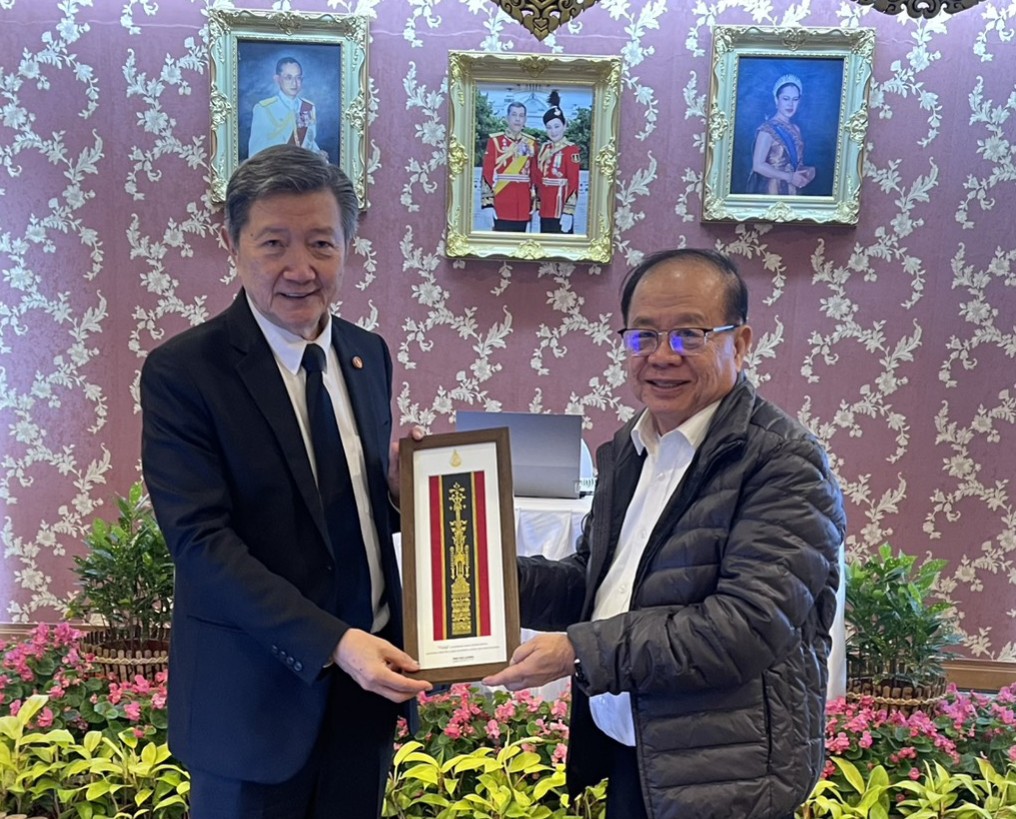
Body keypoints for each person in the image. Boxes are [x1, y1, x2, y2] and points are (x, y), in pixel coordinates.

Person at [484, 248, 845, 819]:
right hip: (642, 750)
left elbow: (745, 626)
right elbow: (596, 585)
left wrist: (579, 651)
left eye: (688, 335)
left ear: (740, 343)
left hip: (726, 773)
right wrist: (489, 579)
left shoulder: (783, 462)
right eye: (644, 335)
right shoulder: (630, 448)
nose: (661, 356)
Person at [140, 144, 432, 819]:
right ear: (233, 243)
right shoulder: (186, 372)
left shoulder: (367, 354)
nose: (301, 268)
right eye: (274, 243)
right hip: (253, 701)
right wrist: (333, 642)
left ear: (347, 247)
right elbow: (201, 543)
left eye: (322, 243)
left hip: (366, 691)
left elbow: (345, 513)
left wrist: (395, 494)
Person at [746, 74, 816, 195]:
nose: (790, 104)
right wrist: (789, 177)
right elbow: (758, 165)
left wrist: (807, 172)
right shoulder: (766, 130)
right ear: (776, 100)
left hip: (794, 188)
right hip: (773, 187)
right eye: (786, 99)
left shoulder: (796, 129)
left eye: (795, 99)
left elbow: (794, 163)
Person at [248, 57, 327, 159]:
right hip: (276, 166)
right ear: (277, 79)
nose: (294, 83)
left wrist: (317, 153)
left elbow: (309, 141)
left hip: (303, 166)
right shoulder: (264, 109)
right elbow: (255, 153)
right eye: (288, 78)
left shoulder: (308, 107)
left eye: (298, 78)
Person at [479, 101, 536, 232]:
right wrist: (487, 205)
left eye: (521, 115)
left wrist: (535, 204)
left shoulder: (531, 143)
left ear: (525, 119)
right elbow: (487, 174)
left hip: (523, 206)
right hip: (501, 203)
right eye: (514, 115)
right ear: (507, 118)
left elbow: (534, 176)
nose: (517, 119)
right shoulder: (495, 141)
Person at [533, 90, 580, 234]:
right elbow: (538, 178)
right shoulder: (543, 148)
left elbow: (573, 182)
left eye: (557, 126)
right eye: (549, 127)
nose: (553, 131)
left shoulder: (571, 150)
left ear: (565, 126)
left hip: (561, 207)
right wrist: (537, 205)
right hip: (545, 208)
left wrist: (568, 212)